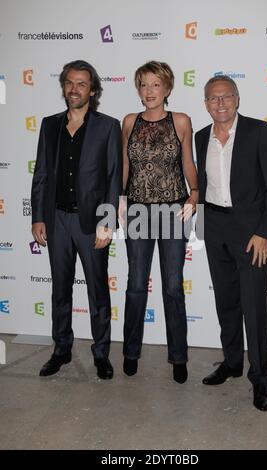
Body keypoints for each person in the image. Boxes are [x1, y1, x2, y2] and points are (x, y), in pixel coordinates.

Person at [195, 75, 267, 410]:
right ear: (206, 104)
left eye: (226, 97)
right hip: (215, 228)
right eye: (213, 98)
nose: (220, 103)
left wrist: (264, 233)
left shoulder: (259, 132)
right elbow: (202, 186)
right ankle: (232, 363)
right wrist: (202, 227)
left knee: (254, 307)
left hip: (251, 235)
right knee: (226, 303)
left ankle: (259, 379)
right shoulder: (202, 137)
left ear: (237, 99)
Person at [31, 60, 122, 379]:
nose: (74, 88)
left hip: (92, 223)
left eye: (82, 83)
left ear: (92, 90)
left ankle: (101, 354)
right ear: (63, 87)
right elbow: (41, 173)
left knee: (98, 289)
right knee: (60, 289)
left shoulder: (108, 126)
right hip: (56, 221)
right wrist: (38, 216)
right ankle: (61, 350)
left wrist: (107, 222)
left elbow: (113, 177)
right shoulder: (49, 124)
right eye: (70, 82)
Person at [120, 61, 198, 384]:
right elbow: (125, 162)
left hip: (173, 211)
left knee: (171, 286)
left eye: (155, 85)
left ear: (167, 88)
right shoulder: (128, 122)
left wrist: (195, 194)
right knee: (136, 284)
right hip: (137, 210)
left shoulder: (180, 121)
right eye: (144, 85)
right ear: (138, 90)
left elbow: (187, 162)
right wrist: (120, 197)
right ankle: (130, 352)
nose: (149, 91)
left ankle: (178, 356)